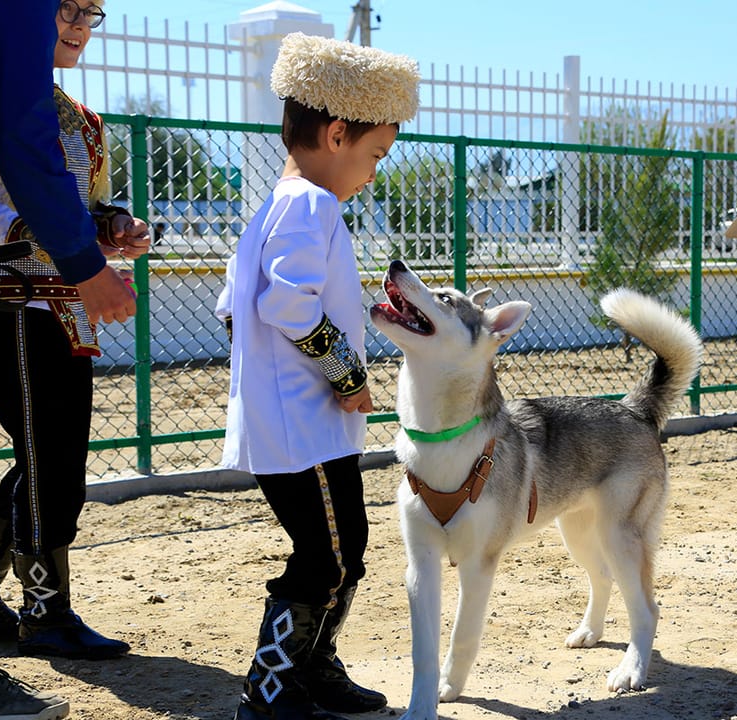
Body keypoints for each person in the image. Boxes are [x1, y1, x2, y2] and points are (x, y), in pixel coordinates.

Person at [0, 0, 137, 716]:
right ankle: (44, 614)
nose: (79, 24)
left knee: (50, 455)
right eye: (67, 10)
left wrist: (110, 226)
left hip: (64, 300)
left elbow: (84, 201)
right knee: (49, 458)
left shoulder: (79, 115)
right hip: (12, 296)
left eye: (92, 13)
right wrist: (47, 238)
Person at [217, 33, 419, 720]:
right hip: (303, 425)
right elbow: (283, 303)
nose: (372, 172)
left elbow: (234, 312)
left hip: (296, 426)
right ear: (337, 134)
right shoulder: (310, 205)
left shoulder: (276, 205)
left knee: (341, 549)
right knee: (327, 555)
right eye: (374, 155)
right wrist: (344, 373)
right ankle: (271, 688)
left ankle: (313, 667)